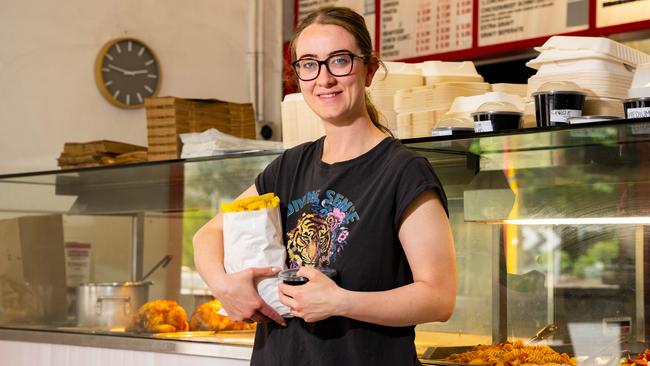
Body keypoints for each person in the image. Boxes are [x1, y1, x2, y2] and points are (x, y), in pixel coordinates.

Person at [193, 6, 456, 366]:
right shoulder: (288, 166)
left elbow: (439, 298)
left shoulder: (404, 172)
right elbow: (206, 235)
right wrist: (223, 286)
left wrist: (341, 301)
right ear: (298, 76)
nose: (324, 78)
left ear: (370, 69)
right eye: (309, 64)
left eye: (340, 61)